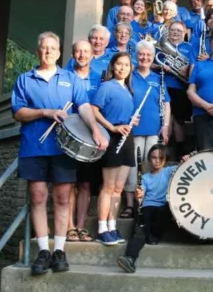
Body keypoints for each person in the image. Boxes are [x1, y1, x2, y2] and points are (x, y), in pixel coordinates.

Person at [11, 32, 109, 275]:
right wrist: (45, 112)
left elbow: (84, 107)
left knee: (63, 198)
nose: (48, 51)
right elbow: (18, 112)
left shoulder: (70, 78)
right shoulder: (25, 79)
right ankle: (44, 250)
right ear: (37, 51)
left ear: (59, 52)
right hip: (34, 146)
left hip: (64, 148)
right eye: (44, 48)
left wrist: (95, 131)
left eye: (53, 48)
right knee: (37, 196)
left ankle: (60, 250)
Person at [91, 52, 140, 245]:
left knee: (118, 188)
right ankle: (102, 229)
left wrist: (133, 121)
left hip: (127, 137)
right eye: (119, 64)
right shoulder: (106, 86)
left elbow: (123, 112)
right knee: (108, 186)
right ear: (113, 66)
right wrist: (112, 127)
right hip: (112, 136)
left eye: (126, 65)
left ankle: (112, 226)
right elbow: (94, 111)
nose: (122, 68)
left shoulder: (129, 89)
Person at [120, 41, 172, 219]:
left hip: (153, 130)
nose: (144, 58)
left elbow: (166, 104)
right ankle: (129, 205)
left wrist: (165, 126)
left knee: (151, 166)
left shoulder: (158, 79)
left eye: (148, 55)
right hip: (132, 130)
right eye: (141, 54)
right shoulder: (129, 76)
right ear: (136, 55)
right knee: (131, 168)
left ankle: (148, 202)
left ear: (152, 58)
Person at [117, 144, 180, 273]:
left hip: (163, 208)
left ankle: (153, 235)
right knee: (139, 232)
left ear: (166, 159)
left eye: (160, 158)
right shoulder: (144, 178)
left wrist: (186, 158)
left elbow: (185, 166)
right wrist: (138, 195)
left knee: (170, 211)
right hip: (147, 208)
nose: (157, 161)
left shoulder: (169, 171)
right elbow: (141, 197)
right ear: (149, 159)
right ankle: (130, 258)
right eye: (154, 157)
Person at [66, 40, 103, 243]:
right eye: (78, 51)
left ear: (92, 55)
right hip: (70, 135)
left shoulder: (99, 78)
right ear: (73, 54)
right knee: (69, 183)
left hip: (91, 137)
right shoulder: (65, 76)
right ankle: (69, 227)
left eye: (86, 52)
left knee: (86, 184)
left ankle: (80, 227)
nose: (82, 55)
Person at [158, 21, 196, 159]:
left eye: (179, 31)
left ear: (184, 32)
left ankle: (180, 152)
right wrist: (161, 67)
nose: (175, 33)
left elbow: (194, 65)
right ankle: (162, 150)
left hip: (181, 88)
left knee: (178, 120)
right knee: (165, 119)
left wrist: (187, 68)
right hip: (164, 86)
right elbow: (153, 62)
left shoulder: (190, 47)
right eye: (173, 30)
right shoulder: (160, 46)